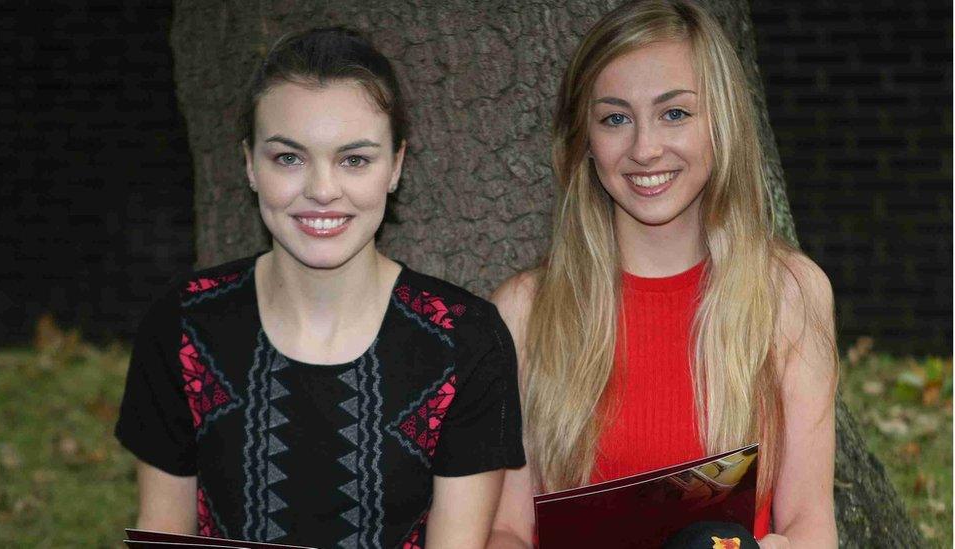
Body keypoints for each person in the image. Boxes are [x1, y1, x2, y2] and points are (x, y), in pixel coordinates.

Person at [115, 27, 525, 549]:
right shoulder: (184, 323)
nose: (322, 191)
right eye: (289, 157)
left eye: (355, 159)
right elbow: (161, 532)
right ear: (249, 164)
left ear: (395, 166)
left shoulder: (466, 340)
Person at [486, 1, 837, 548]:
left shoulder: (788, 293)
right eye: (616, 119)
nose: (645, 149)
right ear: (585, 142)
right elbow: (505, 528)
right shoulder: (525, 310)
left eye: (675, 113)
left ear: (720, 122)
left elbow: (810, 520)